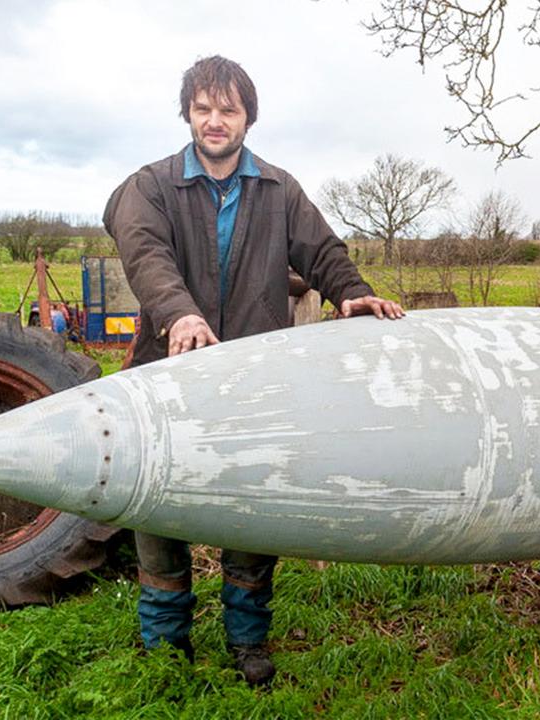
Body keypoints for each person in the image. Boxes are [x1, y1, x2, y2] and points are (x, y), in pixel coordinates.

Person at [102, 55, 403, 687]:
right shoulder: (150, 187)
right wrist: (179, 314)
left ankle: (247, 641)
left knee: (251, 508)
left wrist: (352, 293)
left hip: (255, 379)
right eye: (203, 109)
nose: (215, 121)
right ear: (188, 114)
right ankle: (166, 646)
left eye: (228, 110)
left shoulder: (277, 189)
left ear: (248, 118)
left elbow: (322, 251)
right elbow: (146, 253)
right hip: (169, 371)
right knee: (160, 512)